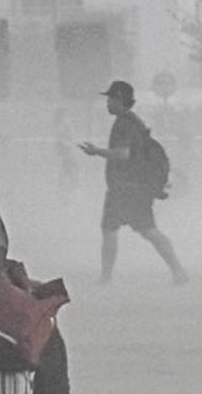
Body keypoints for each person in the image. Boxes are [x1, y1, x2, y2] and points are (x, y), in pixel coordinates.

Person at [78, 80, 187, 285]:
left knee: (113, 230)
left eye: (110, 98)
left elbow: (123, 154)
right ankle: (178, 271)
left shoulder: (124, 124)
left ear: (119, 99)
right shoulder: (135, 121)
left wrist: (95, 151)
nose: (107, 103)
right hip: (136, 188)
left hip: (125, 189)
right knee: (147, 231)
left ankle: (105, 279)